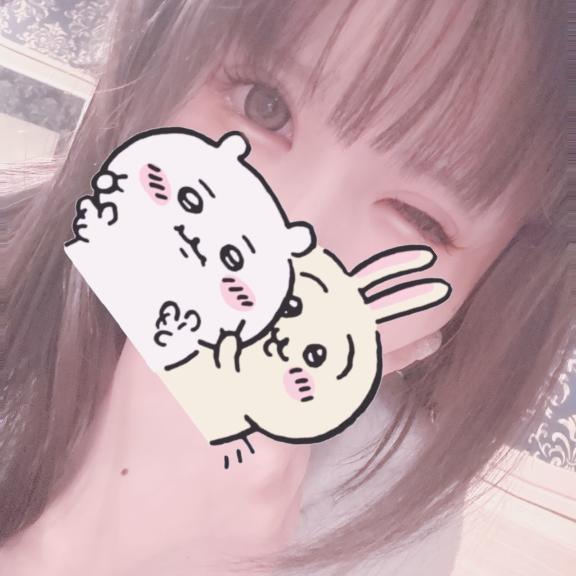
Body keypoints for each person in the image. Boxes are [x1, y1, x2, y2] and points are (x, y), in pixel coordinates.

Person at [1, 0, 570, 574]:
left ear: (489, 285)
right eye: (264, 106)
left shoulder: (384, 503)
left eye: (417, 218)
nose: (290, 235)